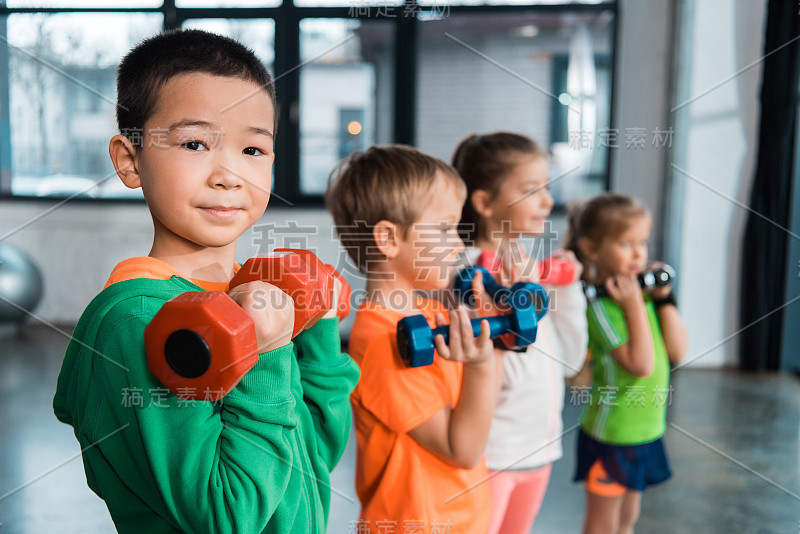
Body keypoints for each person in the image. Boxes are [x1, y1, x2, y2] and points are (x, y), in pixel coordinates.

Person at [52, 29, 359, 534]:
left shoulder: (256, 296)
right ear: (130, 161)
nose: (229, 175)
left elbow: (312, 458)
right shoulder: (136, 323)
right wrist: (272, 349)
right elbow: (228, 517)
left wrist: (320, 333)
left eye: (253, 150)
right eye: (195, 143)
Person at [326, 145, 502, 533]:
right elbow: (463, 449)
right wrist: (482, 364)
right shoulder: (380, 339)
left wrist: (492, 333)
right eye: (443, 229)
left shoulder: (434, 310)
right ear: (389, 239)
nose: (458, 244)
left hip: (463, 516)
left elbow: (481, 404)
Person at [452, 132, 589, 534]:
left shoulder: (529, 267)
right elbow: (476, 364)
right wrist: (507, 300)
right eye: (531, 190)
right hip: (492, 454)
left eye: (546, 187)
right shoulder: (464, 275)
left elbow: (569, 361)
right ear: (484, 202)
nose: (547, 201)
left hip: (540, 450)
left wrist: (569, 289)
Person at [565, 193, 689, 534]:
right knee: (602, 525)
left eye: (643, 242)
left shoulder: (644, 297)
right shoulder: (602, 309)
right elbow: (641, 364)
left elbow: (678, 350)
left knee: (627, 521)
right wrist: (634, 304)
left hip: (647, 429)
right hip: (613, 433)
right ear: (591, 248)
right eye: (625, 243)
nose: (639, 254)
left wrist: (664, 299)